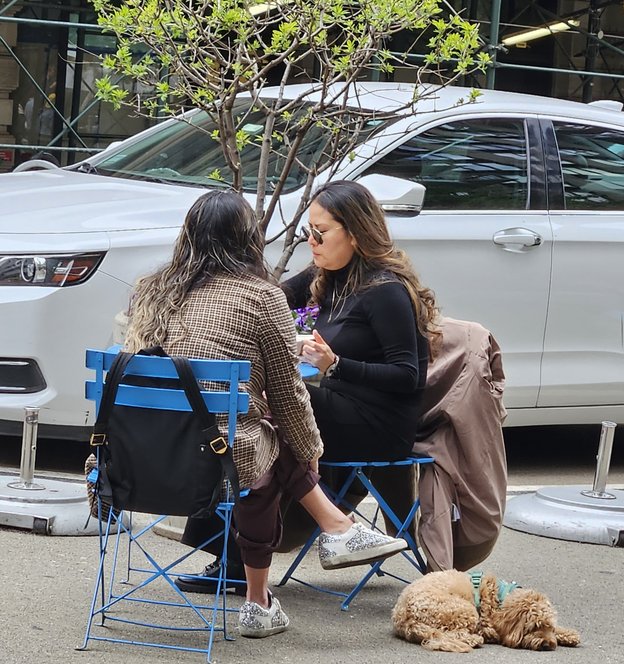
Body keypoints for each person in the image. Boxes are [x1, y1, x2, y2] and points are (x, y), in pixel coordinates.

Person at [124, 189, 407, 637]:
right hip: (220, 459)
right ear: (248, 239)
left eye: (320, 232)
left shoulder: (151, 291)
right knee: (270, 442)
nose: (312, 240)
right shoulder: (261, 298)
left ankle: (266, 588)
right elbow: (288, 393)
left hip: (136, 457)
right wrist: (310, 449)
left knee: (263, 443)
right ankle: (319, 540)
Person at [177, 179, 439, 593]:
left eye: (320, 233)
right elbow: (268, 299)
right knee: (244, 412)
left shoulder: (385, 290)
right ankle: (235, 550)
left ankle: (233, 553)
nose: (312, 242)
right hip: (336, 405)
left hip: (378, 421)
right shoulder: (326, 273)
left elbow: (409, 377)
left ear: (354, 233)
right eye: (308, 232)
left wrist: (337, 363)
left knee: (263, 408)